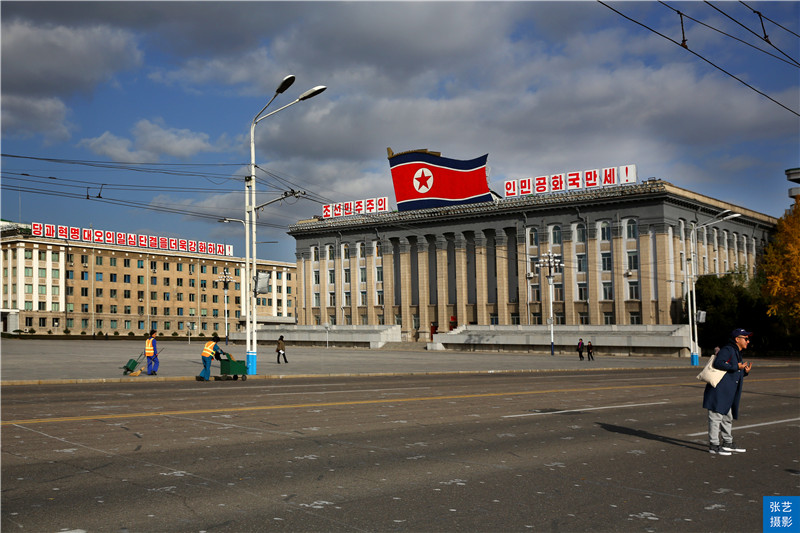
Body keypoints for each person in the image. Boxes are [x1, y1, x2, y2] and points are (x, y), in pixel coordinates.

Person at [703, 328, 753, 455]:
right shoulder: (728, 350)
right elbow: (718, 363)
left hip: (727, 392)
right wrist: (737, 366)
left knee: (727, 417)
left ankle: (727, 443)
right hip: (718, 391)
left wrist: (744, 372)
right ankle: (714, 445)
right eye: (745, 338)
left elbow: (732, 372)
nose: (748, 341)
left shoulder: (736, 352)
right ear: (737, 339)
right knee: (716, 417)